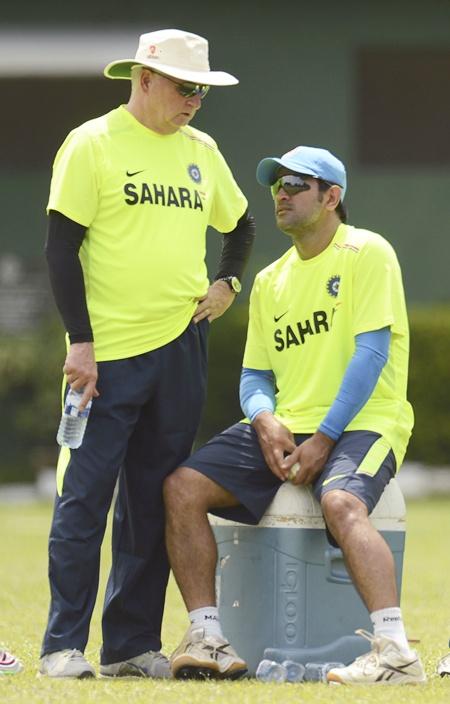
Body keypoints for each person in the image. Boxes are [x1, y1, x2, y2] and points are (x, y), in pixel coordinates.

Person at [163, 145, 427, 685]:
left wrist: (326, 436)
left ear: (332, 197)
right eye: (276, 185)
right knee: (182, 487)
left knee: (341, 501)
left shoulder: (367, 252)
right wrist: (264, 420)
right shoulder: (270, 280)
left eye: (296, 185)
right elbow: (254, 378)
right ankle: (208, 636)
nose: (281, 194)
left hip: (365, 421)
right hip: (292, 423)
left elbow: (372, 355)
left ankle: (396, 653)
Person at [39, 28, 255, 679]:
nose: (194, 101)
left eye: (202, 91)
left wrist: (228, 283)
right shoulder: (93, 143)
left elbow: (239, 225)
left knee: (150, 499)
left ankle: (130, 646)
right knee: (84, 500)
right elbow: (59, 249)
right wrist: (81, 342)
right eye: (186, 88)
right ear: (144, 79)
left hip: (180, 350)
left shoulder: (202, 150)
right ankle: (61, 646)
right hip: (104, 358)